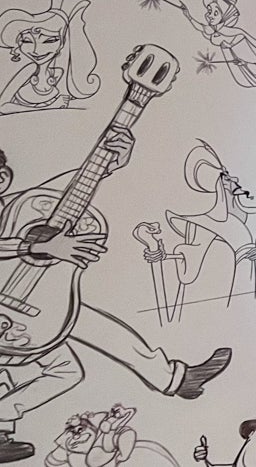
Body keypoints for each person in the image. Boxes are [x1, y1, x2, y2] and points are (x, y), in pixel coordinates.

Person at [0, 148, 231, 463]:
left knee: (73, 361)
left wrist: (106, 163)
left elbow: (63, 193)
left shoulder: (19, 206)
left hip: (25, 304)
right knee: (68, 362)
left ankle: (177, 379)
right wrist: (36, 247)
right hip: (12, 309)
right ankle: (176, 379)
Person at [0, 0, 98, 112]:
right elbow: (3, 106)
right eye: (27, 41)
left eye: (49, 41)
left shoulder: (58, 73)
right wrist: (51, 106)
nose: (36, 50)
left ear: (62, 43)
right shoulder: (30, 69)